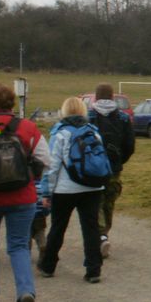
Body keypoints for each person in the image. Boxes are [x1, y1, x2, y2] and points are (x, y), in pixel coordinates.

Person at [0, 83, 50, 302]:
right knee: (19, 246)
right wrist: (30, 174)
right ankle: (25, 292)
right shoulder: (27, 127)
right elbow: (46, 159)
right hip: (22, 196)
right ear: (11, 103)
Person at [38, 97, 106, 283]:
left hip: (65, 189)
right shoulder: (93, 132)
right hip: (92, 187)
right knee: (91, 228)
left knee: (58, 227)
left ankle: (48, 265)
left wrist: (46, 192)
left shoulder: (60, 133)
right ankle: (94, 270)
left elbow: (51, 167)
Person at [87, 83, 135, 258]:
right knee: (109, 201)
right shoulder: (123, 118)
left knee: (95, 201)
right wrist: (120, 161)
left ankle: (101, 236)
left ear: (96, 97)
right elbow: (129, 145)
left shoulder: (88, 116)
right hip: (114, 167)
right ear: (112, 96)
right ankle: (104, 232)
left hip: (93, 168)